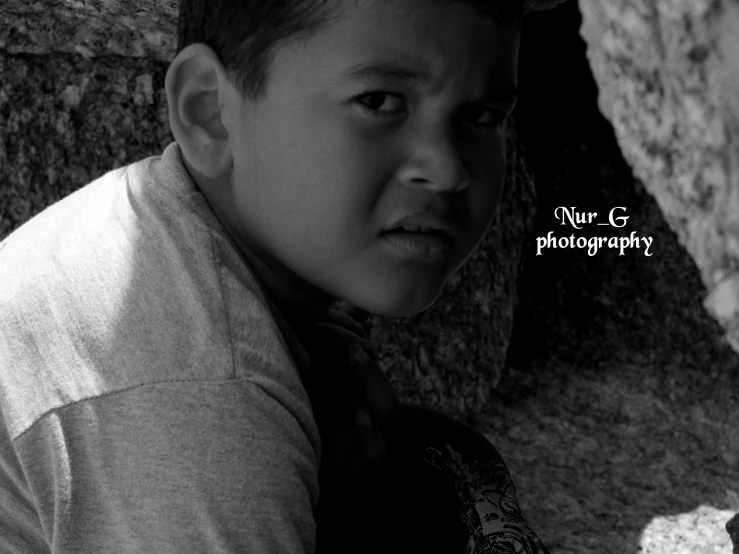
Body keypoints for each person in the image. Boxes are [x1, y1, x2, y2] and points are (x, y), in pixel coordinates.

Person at [0, 0, 550, 552]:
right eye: (379, 101)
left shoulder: (189, 243)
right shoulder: (205, 401)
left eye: (484, 117)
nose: (449, 168)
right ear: (211, 111)